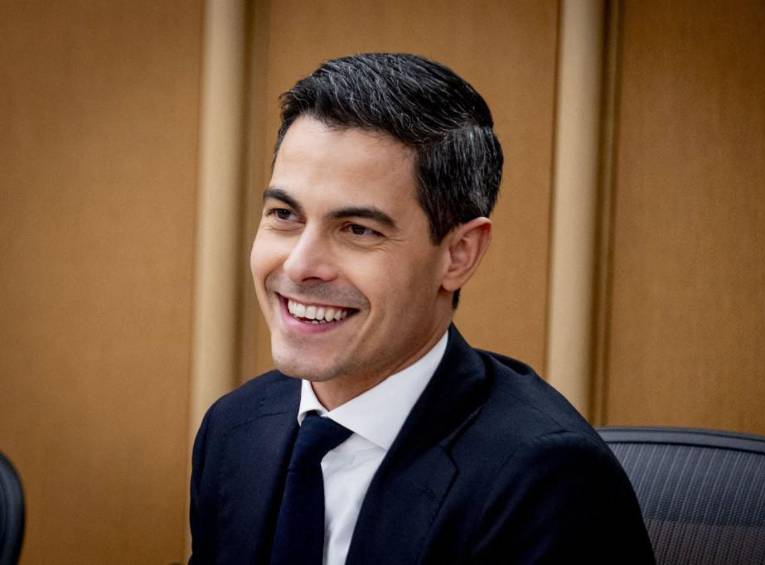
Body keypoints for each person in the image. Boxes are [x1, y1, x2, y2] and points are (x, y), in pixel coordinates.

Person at [189, 53, 655, 564]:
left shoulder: (548, 480)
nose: (300, 267)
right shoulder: (235, 428)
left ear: (458, 255)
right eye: (284, 215)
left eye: (358, 230)